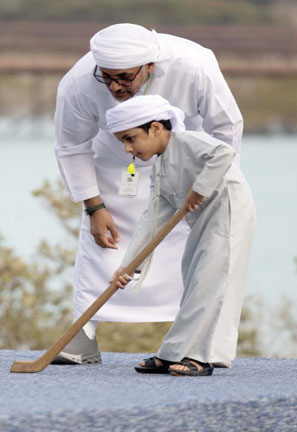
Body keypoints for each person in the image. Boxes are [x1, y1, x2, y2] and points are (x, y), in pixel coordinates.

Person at [52, 23, 244, 364]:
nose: (114, 86)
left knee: (204, 259)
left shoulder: (194, 64)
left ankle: (198, 349)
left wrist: (208, 185)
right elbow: (70, 146)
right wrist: (94, 206)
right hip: (115, 167)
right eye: (106, 77)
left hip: (189, 165)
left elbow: (225, 127)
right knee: (102, 247)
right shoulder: (78, 82)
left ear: (150, 66)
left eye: (124, 78)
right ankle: (84, 338)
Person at [106, 95, 255, 376]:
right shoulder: (161, 167)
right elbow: (152, 220)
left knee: (209, 283)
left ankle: (201, 357)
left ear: (155, 128)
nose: (128, 149)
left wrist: (199, 189)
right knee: (193, 280)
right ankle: (173, 352)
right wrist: (129, 266)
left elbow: (223, 153)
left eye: (130, 139)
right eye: (123, 142)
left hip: (229, 213)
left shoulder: (189, 141)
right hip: (203, 221)